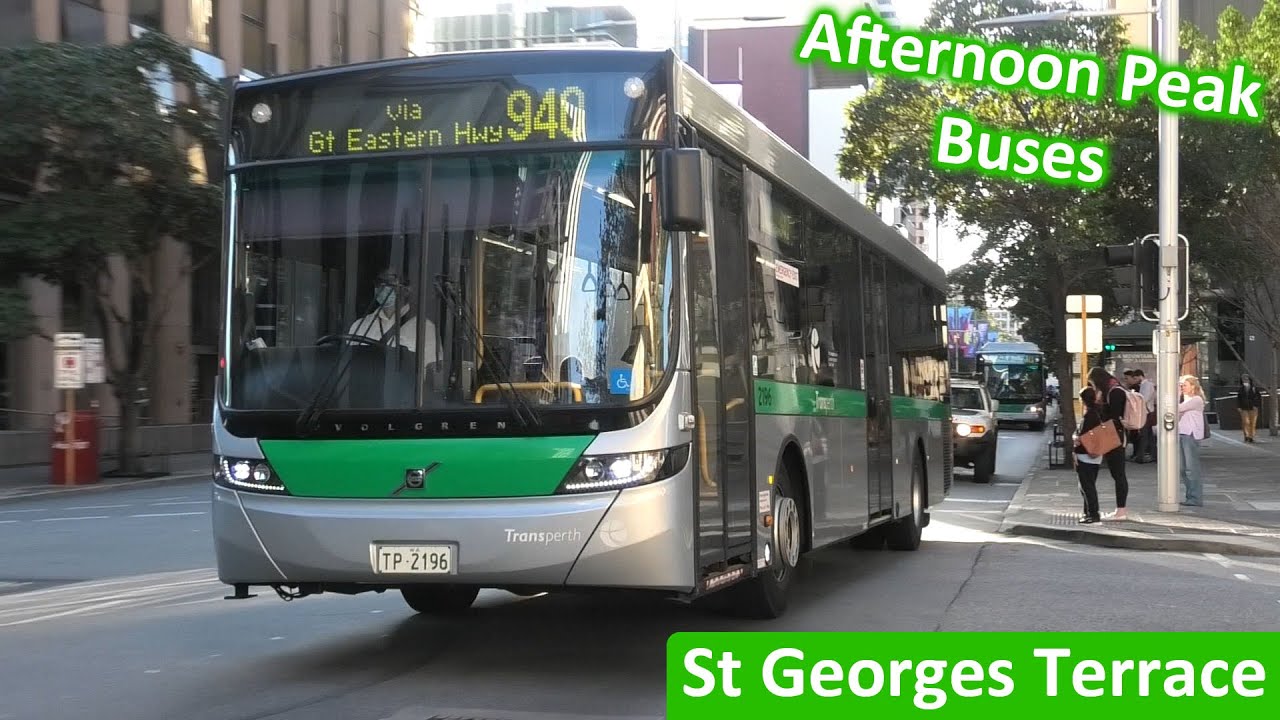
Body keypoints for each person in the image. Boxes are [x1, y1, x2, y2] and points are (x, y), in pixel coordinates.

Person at [346, 267, 437, 359]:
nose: (382, 286)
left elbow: (430, 371)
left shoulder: (424, 329)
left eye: (389, 282)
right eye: (379, 282)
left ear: (407, 289)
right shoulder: (360, 326)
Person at [1088, 367, 1131, 520]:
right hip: (1114, 433)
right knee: (1116, 473)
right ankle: (1120, 510)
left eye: (1092, 383)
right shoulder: (1114, 389)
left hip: (1114, 435)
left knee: (1118, 473)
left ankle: (1121, 510)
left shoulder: (1115, 392)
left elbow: (1113, 416)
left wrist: (1099, 404)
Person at [1073, 385, 1105, 524]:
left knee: (1086, 486)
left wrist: (1075, 438)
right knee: (1088, 485)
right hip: (1095, 455)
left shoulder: (1089, 415)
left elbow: (1081, 437)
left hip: (1085, 455)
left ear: (1083, 400)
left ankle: (1092, 513)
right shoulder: (1098, 412)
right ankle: (1088, 513)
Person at [1178, 375, 1207, 507]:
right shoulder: (1187, 399)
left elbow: (1176, 409)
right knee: (1183, 468)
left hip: (1191, 435)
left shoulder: (1196, 399)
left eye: (1184, 385)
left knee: (1191, 468)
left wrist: (1177, 395)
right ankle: (1190, 496)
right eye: (1181, 385)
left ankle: (1195, 497)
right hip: (1182, 433)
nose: (1182, 387)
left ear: (1193, 386)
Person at [1132, 369, 1156, 462]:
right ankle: (1152, 455)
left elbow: (1144, 399)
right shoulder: (1144, 385)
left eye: (1135, 378)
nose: (1134, 380)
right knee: (1149, 435)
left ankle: (1141, 456)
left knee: (1144, 434)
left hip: (1146, 412)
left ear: (1139, 376)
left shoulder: (1147, 385)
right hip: (1146, 411)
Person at [1237, 373, 1263, 443]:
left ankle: (1251, 436)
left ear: (1249, 380)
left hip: (1253, 408)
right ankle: (1246, 435)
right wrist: (1239, 406)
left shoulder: (1254, 388)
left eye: (1246, 379)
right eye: (1243, 379)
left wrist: (1256, 405)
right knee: (1245, 422)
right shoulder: (1241, 389)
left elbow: (1258, 397)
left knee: (1253, 422)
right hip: (1243, 407)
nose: (1245, 381)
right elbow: (1239, 398)